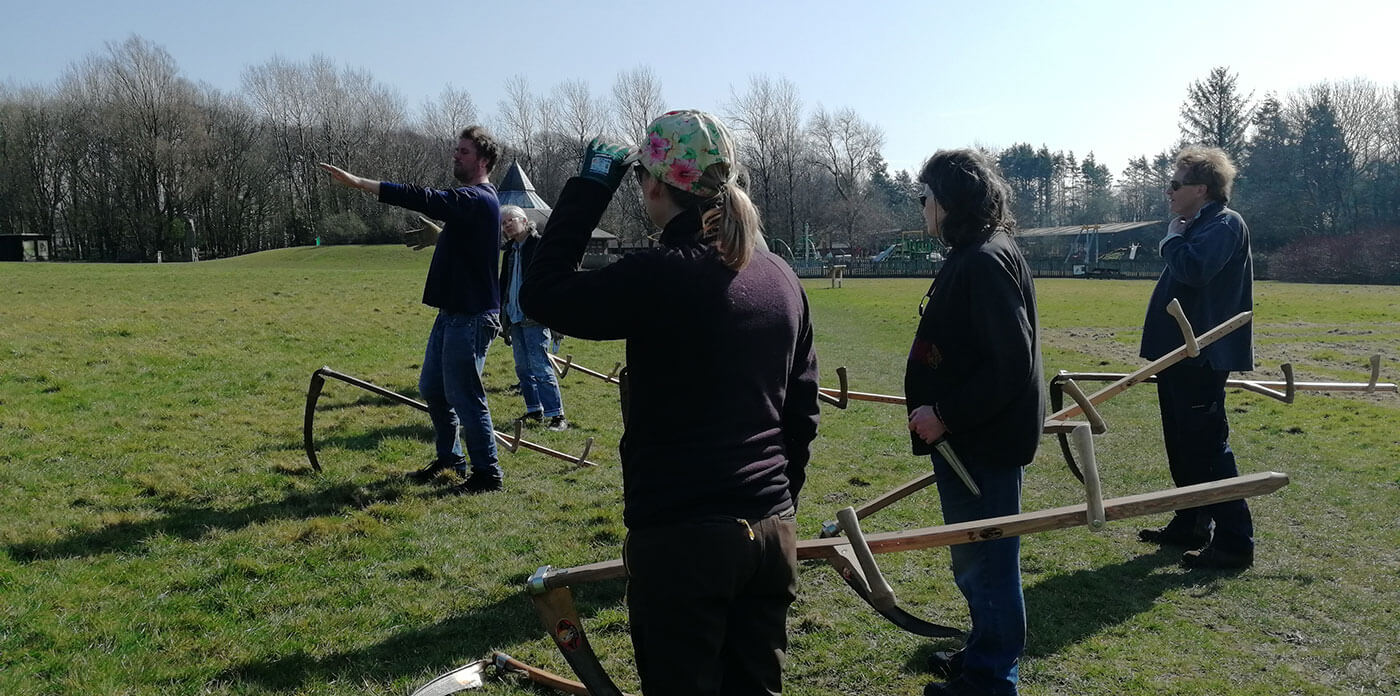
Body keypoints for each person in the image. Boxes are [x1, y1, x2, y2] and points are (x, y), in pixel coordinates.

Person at [519, 109, 819, 696]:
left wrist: (591, 185)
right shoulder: (781, 277)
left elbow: (543, 293)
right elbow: (801, 412)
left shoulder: (660, 274)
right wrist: (778, 503)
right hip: (771, 532)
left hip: (684, 540)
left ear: (654, 185)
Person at [905, 149, 1043, 696]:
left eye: (925, 197)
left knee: (987, 562)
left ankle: (989, 682)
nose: (922, 207)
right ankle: (983, 654)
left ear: (947, 200)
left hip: (982, 444)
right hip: (973, 441)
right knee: (975, 560)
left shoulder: (985, 259)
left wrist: (944, 414)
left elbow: (1011, 363)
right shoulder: (978, 251)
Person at [317, 125, 505, 495]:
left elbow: (425, 197)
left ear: (483, 161)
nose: (455, 156)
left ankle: (488, 474)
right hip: (451, 313)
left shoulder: (479, 198)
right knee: (433, 388)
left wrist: (361, 183)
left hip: (471, 317)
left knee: (466, 397)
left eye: (464, 152)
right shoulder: (472, 205)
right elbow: (467, 243)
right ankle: (450, 460)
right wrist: (443, 237)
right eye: (456, 149)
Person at [1137, 146, 1255, 569]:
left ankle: (1235, 543)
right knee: (1182, 445)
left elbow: (1195, 270)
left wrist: (1172, 239)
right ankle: (1191, 522)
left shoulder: (1223, 223)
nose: (1168, 191)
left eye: (1175, 184)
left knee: (1206, 448)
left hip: (1201, 357)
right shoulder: (1201, 224)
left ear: (1201, 188)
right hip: (1179, 357)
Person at [498, 204, 568, 431]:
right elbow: (504, 284)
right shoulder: (510, 252)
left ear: (524, 220)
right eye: (503, 223)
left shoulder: (539, 245)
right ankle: (534, 410)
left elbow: (553, 276)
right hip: (514, 317)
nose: (507, 225)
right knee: (522, 368)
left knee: (540, 366)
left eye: (511, 220)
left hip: (535, 316)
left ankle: (557, 416)